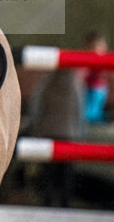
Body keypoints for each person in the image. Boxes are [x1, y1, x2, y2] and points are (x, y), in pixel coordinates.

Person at [28, 68, 87, 207]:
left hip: (48, 132)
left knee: (48, 173)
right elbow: (80, 111)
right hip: (69, 135)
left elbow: (35, 108)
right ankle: (66, 203)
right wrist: (80, 134)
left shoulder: (46, 82)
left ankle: (47, 202)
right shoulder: (77, 84)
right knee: (67, 174)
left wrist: (36, 129)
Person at [82, 31, 110, 123]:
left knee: (93, 110)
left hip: (98, 89)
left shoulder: (103, 60)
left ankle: (96, 121)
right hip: (88, 88)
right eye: (91, 47)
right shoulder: (88, 60)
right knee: (88, 108)